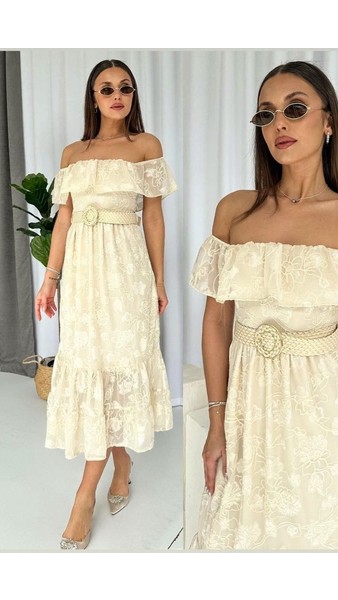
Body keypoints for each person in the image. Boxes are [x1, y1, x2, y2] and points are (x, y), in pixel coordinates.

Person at [189, 60, 338, 550]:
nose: (278, 124)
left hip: (325, 406)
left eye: (295, 109)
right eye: (266, 114)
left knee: (321, 529)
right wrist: (216, 420)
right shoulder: (234, 211)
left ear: (328, 123)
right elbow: (217, 320)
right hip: (247, 404)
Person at [35, 58, 177, 550]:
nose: (117, 96)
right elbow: (64, 219)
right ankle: (121, 462)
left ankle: (83, 496)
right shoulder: (73, 153)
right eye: (107, 89)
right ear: (93, 98)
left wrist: (159, 280)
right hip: (84, 276)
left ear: (133, 96)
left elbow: (153, 218)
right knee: (93, 364)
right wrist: (50, 279)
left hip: (127, 271)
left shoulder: (146, 146)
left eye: (125, 88)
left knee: (119, 363)